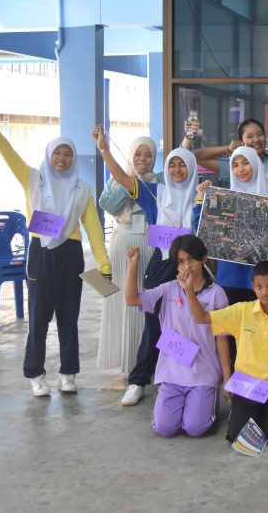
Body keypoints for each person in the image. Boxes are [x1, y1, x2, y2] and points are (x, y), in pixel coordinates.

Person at [0, 102, 111, 397]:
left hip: (71, 255)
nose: (62, 158)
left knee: (69, 317)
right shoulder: (32, 179)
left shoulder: (83, 189)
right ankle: (35, 373)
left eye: (68, 154)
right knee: (39, 318)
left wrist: (104, 264)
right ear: (49, 155)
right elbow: (7, 152)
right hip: (41, 253)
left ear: (74, 158)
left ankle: (68, 373)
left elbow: (93, 229)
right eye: (57, 153)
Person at [94, 125, 202, 407]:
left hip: (194, 270)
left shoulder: (202, 194)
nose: (177, 170)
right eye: (172, 165)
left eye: (183, 164)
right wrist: (104, 149)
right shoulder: (155, 192)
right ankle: (138, 380)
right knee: (153, 324)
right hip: (162, 264)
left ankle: (181, 376)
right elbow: (121, 177)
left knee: (188, 324)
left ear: (192, 167)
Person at [186, 260, 268, 447]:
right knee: (237, 436)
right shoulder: (242, 311)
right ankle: (261, 415)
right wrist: (189, 290)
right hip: (247, 385)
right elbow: (202, 317)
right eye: (259, 287)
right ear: (253, 287)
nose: (265, 292)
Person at [123, 236, 230, 437]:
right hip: (171, 373)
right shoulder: (167, 289)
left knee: (195, 427)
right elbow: (132, 299)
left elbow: (222, 339)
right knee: (164, 427)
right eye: (180, 261)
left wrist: (226, 379)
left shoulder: (217, 294)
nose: (186, 266)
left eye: (191, 259)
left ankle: (208, 400)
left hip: (203, 373)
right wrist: (132, 266)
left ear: (203, 258)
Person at [97, 135, 159, 374]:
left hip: (150, 242)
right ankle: (126, 358)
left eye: (148, 155)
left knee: (146, 298)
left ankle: (145, 359)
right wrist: (129, 180)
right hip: (122, 241)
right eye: (138, 154)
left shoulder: (159, 181)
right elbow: (109, 206)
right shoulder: (116, 180)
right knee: (122, 297)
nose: (143, 159)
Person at [212, 146, 268, 306]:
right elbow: (208, 233)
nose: (240, 169)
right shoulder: (222, 200)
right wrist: (202, 201)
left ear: (255, 164)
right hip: (229, 277)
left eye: (245, 163)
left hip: (261, 279)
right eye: (235, 165)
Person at [193, 117, 268, 190]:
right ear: (241, 141)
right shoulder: (236, 166)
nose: (256, 140)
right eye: (250, 136)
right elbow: (197, 156)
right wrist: (228, 148)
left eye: (260, 134)